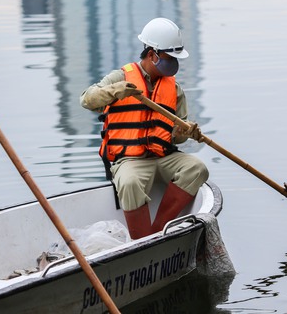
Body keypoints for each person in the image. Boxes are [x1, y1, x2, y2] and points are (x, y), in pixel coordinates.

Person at [80, 17, 208, 239]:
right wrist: (115, 91)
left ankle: (158, 231)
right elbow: (87, 100)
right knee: (129, 182)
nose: (174, 64)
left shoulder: (174, 89)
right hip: (129, 159)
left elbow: (176, 138)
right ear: (152, 55)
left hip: (163, 157)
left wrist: (185, 132)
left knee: (197, 169)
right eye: (170, 58)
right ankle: (141, 240)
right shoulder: (120, 77)